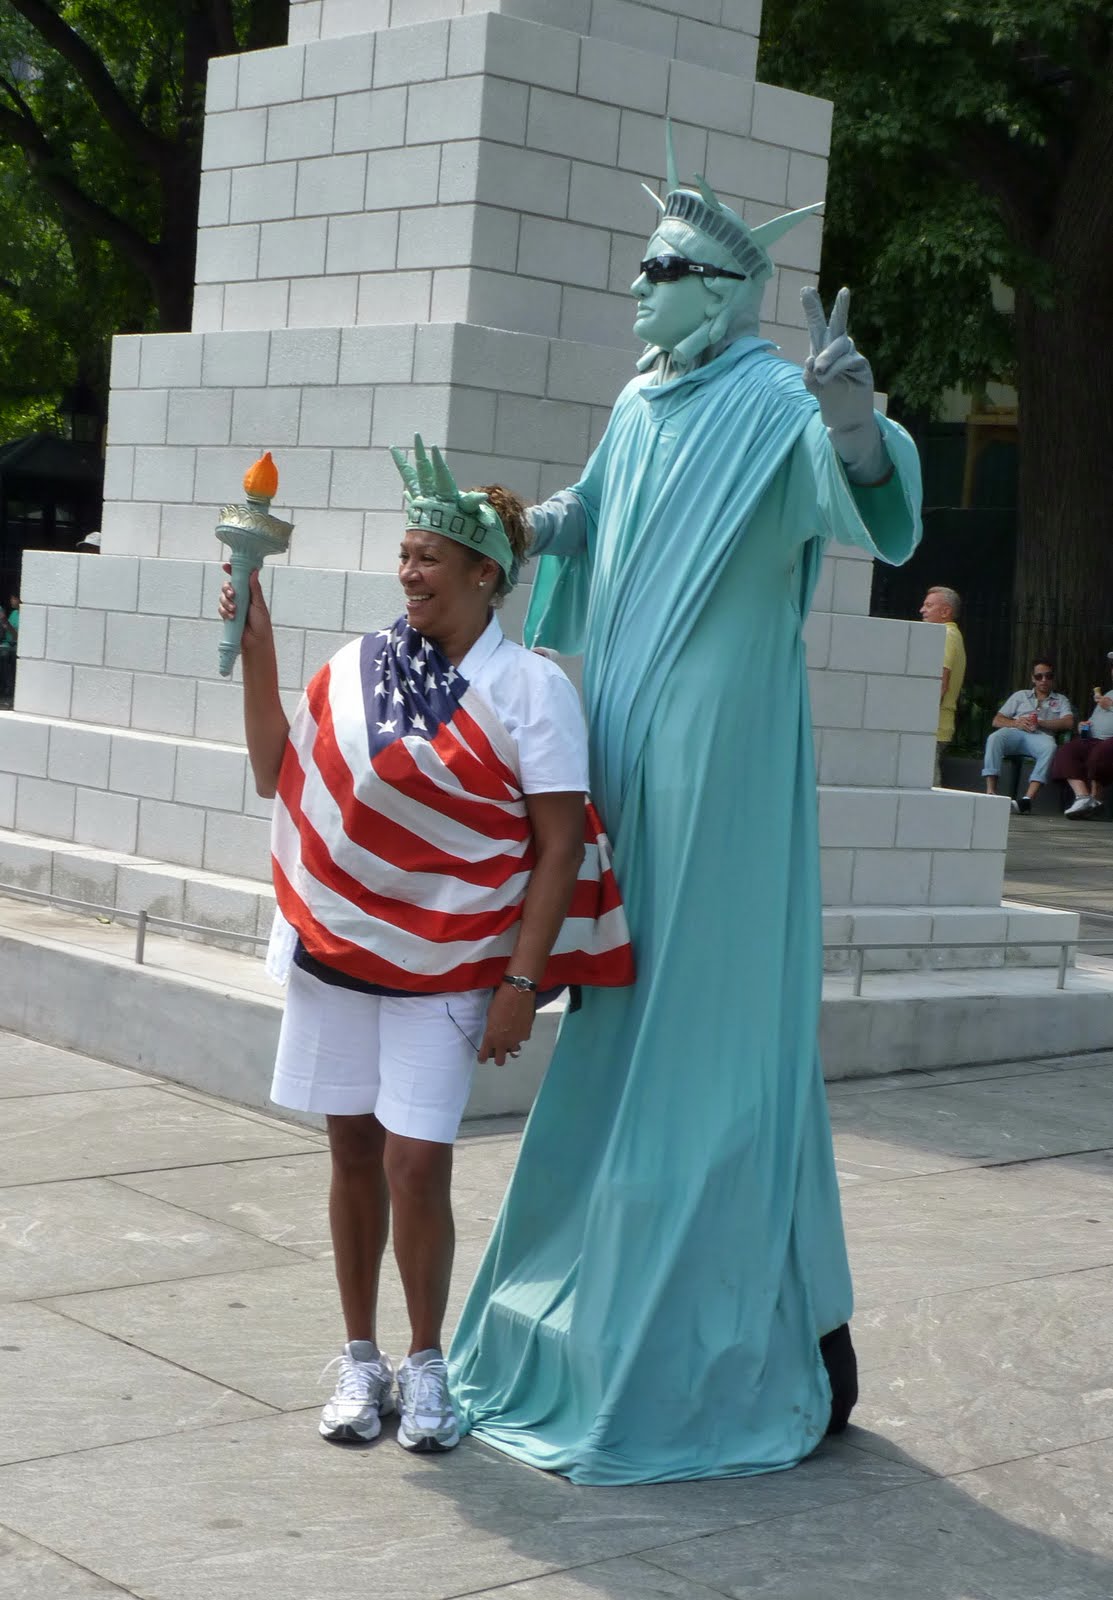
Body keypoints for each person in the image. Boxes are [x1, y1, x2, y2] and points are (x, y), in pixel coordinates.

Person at [448, 123, 922, 1484]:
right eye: (644, 267)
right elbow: (591, 514)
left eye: (660, 269)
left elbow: (872, 509)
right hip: (628, 717)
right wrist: (518, 529)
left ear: (719, 289)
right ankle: (624, 1272)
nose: (638, 288)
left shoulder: (776, 403)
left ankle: (719, 1311)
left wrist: (854, 423)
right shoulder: (639, 400)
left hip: (721, 731)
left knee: (706, 1001)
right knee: (623, 981)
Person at [219, 441, 632, 1454]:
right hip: (339, 950)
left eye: (429, 558)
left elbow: (560, 841)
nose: (409, 572)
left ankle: (426, 1362)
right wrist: (258, 644)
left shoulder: (533, 689)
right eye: (405, 555)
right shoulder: (355, 668)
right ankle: (360, 1360)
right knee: (352, 1148)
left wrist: (520, 982)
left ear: (484, 574)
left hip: (456, 966)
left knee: (417, 1162)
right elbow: (279, 772)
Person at [982, 660, 1073, 813]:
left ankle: (1027, 800)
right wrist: (1015, 722)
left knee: (1050, 747)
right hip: (1015, 732)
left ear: (1053, 678)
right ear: (1033, 678)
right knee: (994, 738)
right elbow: (997, 720)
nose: (1043, 680)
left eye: (1048, 676)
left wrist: (1041, 723)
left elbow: (1068, 723)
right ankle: (991, 792)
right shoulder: (1020, 695)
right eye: (1039, 676)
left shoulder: (1061, 700)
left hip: (1041, 736)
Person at [1052, 663, 1113, 817]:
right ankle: (1083, 797)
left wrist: (1112, 706)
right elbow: (1097, 719)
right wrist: (1084, 726)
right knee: (1067, 750)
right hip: (1094, 739)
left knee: (1100, 753)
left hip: (1108, 743)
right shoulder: (1109, 694)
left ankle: (1095, 799)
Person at [919, 586, 965, 784]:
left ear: (946, 611)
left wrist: (920, 719)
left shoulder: (945, 635)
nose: (922, 610)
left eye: (929, 605)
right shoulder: (953, 635)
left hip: (934, 725)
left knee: (928, 784)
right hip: (938, 725)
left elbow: (941, 682)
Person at [0, 594, 19, 703]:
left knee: (5, 655)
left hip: (15, 645)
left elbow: (16, 636)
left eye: (13, 598)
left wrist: (5, 622)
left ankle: (7, 689)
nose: (11, 600)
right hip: (6, 643)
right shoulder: (14, 613)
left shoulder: (25, 615)